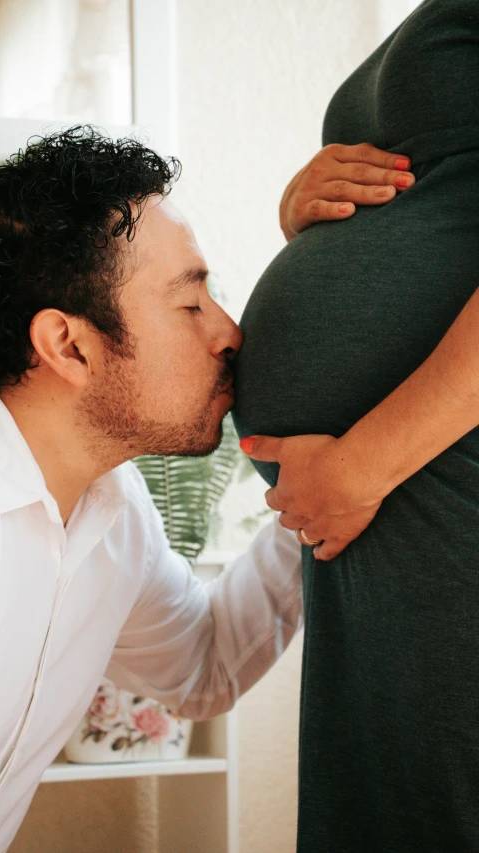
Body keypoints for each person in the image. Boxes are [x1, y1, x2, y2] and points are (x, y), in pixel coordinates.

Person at [0, 126, 409, 851]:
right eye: (191, 304)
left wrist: (321, 492)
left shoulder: (114, 512)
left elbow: (204, 668)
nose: (229, 332)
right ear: (68, 345)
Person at [233, 0, 479, 850]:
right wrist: (302, 206)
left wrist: (367, 461)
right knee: (380, 793)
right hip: (394, 486)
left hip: (428, 461)